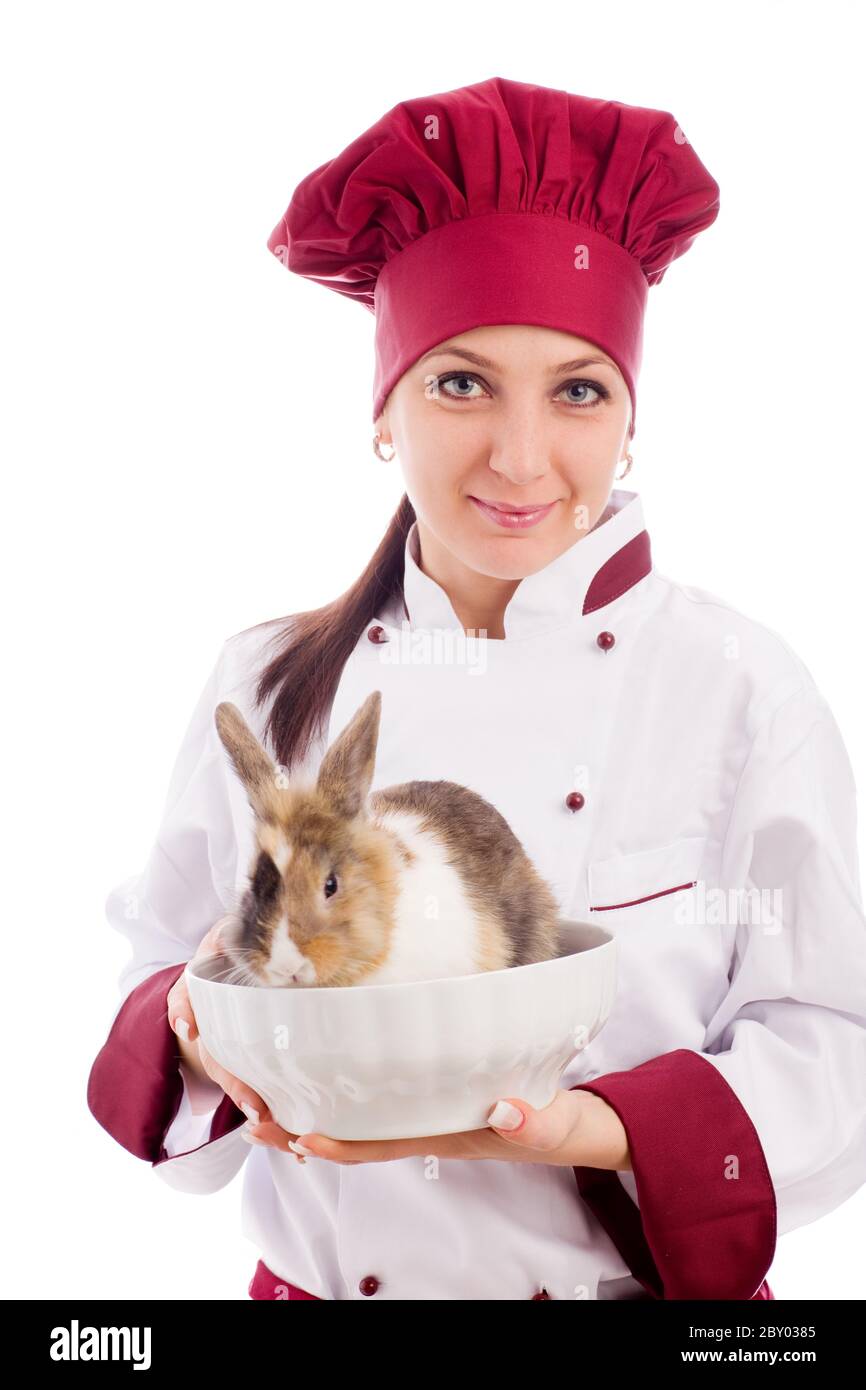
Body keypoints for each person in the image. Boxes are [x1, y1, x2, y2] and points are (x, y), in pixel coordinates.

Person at [87, 76, 866, 1302]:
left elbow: (835, 1050)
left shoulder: (741, 692)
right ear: (384, 410)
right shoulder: (269, 684)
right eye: (459, 382)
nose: (516, 457)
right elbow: (159, 985)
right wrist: (203, 1030)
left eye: (575, 389)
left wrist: (595, 1127)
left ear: (628, 417)